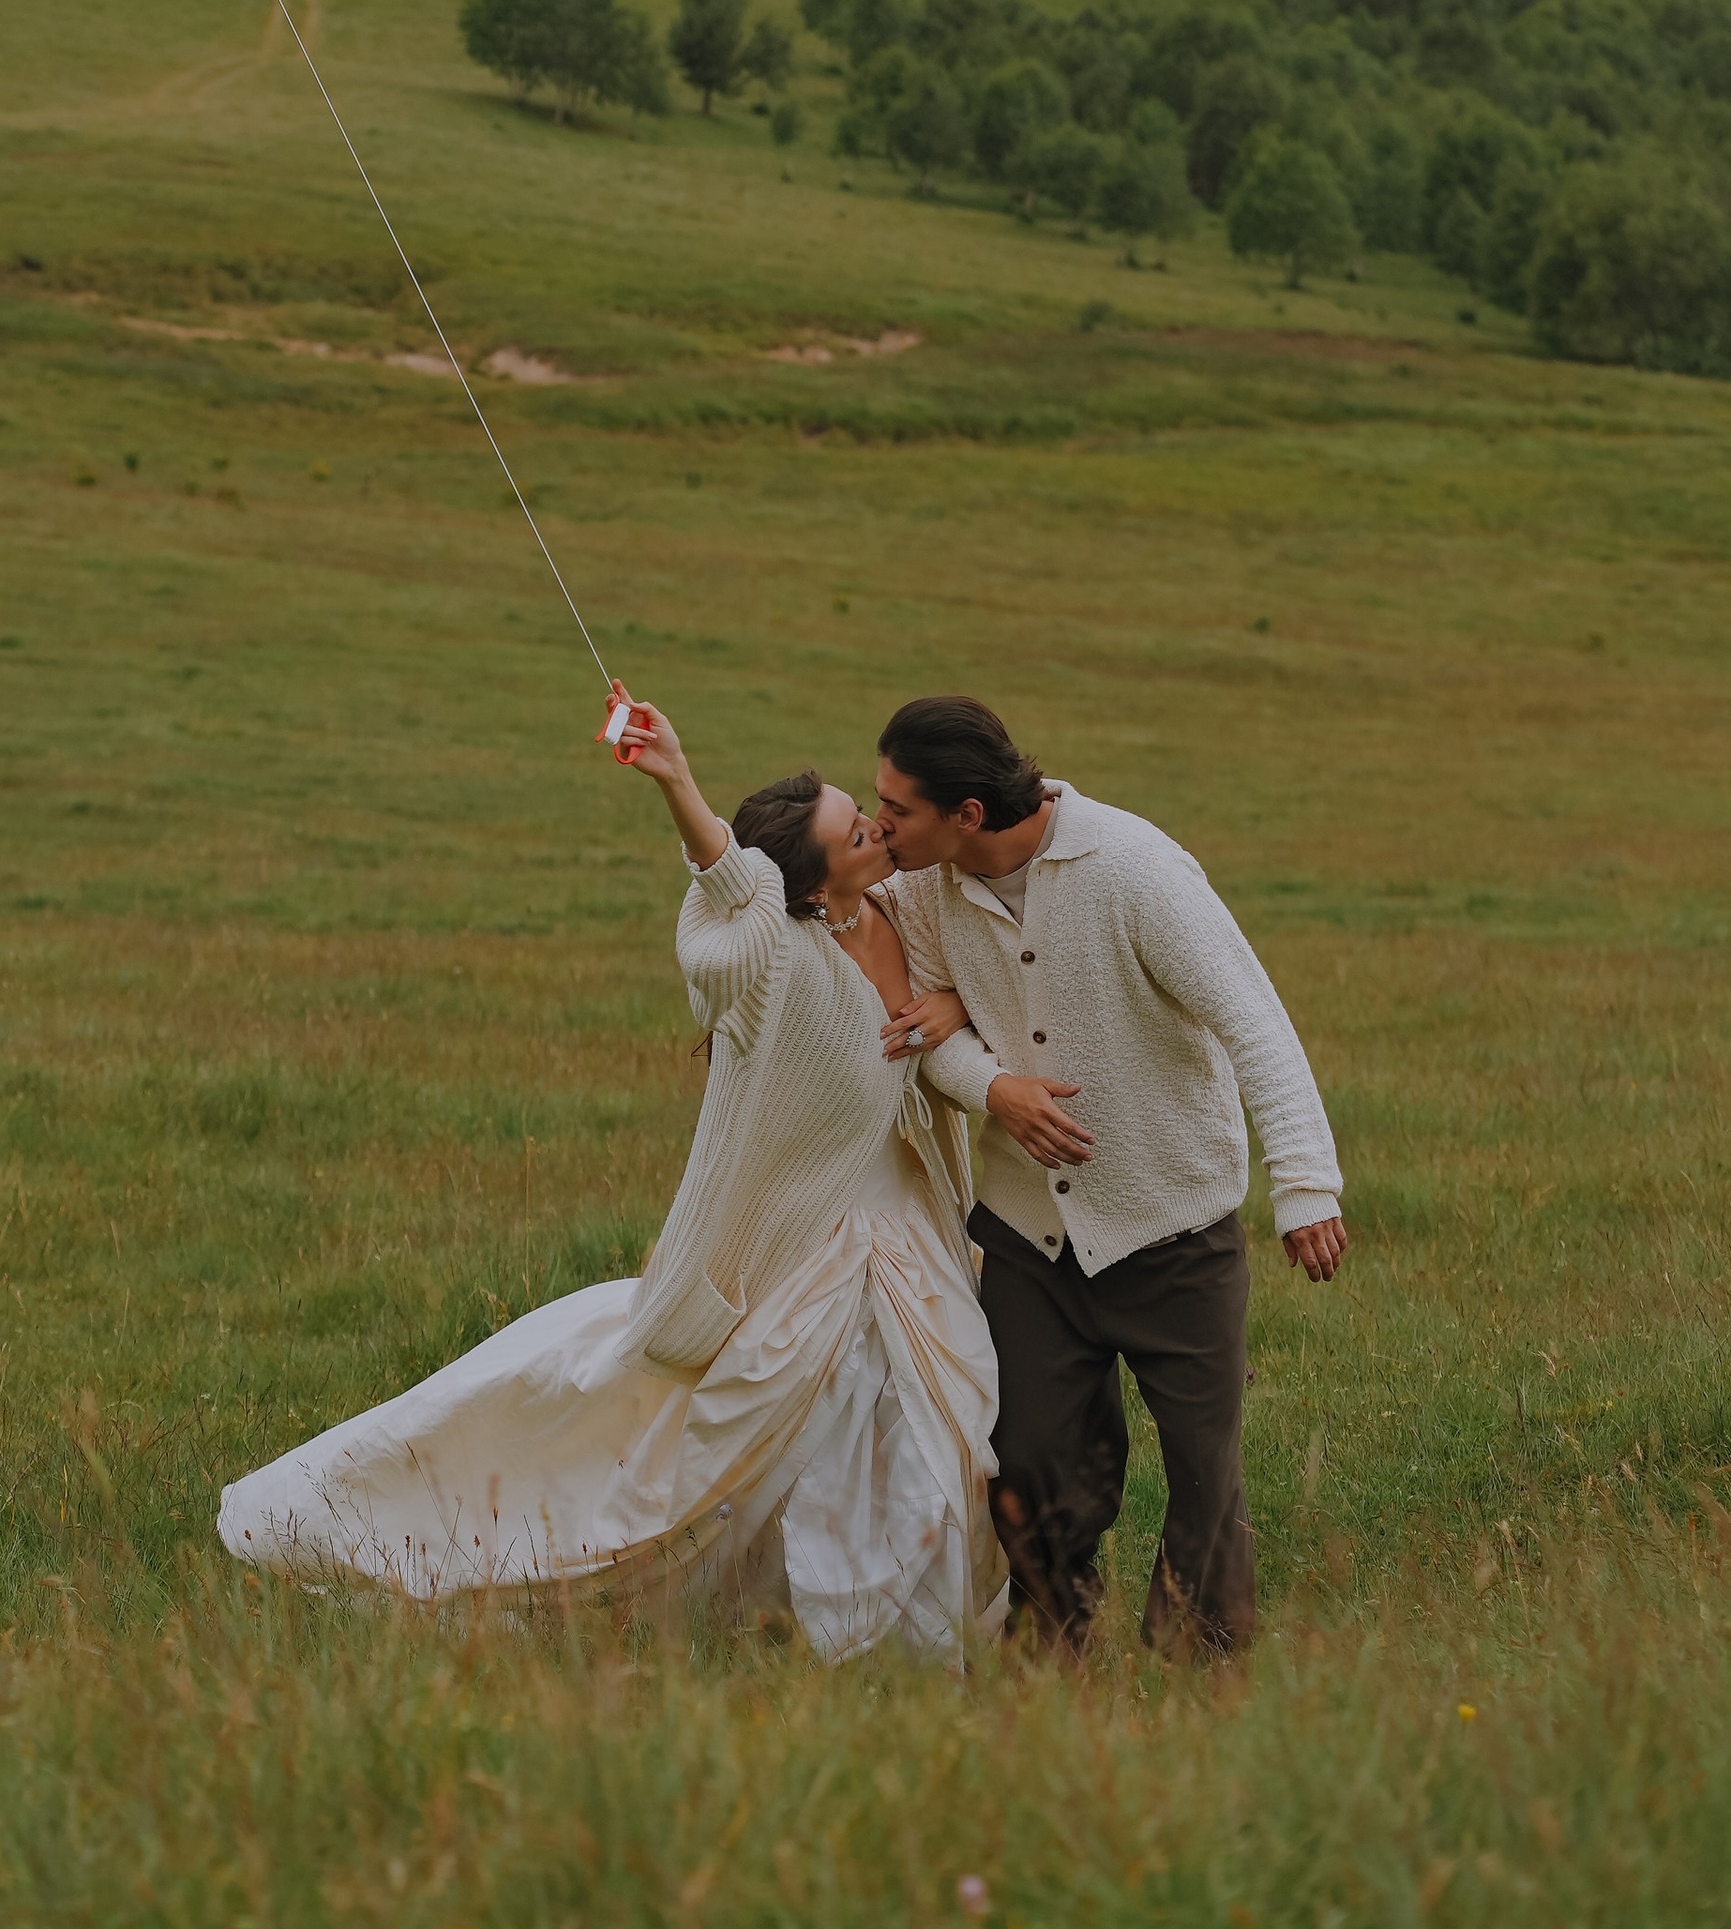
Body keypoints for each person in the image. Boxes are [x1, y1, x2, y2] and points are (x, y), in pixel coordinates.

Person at [219, 696, 1006, 1659]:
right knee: (766, 1437)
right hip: (813, 1249)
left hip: (913, 1228)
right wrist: (678, 780)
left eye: (868, 814)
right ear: (808, 881)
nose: (878, 829)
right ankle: (719, 1602)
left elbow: (986, 977)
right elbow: (731, 885)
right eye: (855, 829)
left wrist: (956, 996)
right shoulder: (778, 967)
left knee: (937, 1418)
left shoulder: (901, 903)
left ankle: (910, 1636)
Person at [873, 692, 1347, 1659]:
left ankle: (1207, 1665)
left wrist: (1306, 1186)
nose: (879, 823)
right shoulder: (921, 889)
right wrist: (994, 1086)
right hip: (1028, 1237)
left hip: (1175, 1227)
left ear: (967, 814)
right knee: (1035, 1462)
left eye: (897, 807)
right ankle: (1055, 1651)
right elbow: (928, 1033)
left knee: (1206, 1478)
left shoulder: (1135, 867)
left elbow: (1253, 1018)